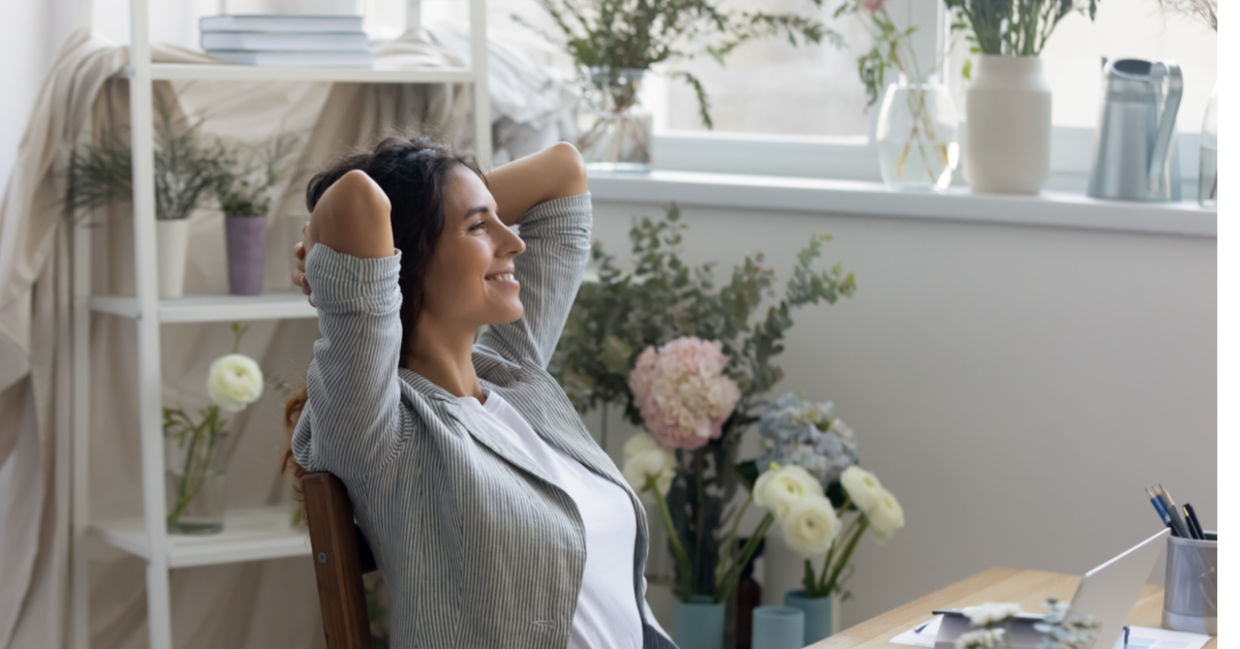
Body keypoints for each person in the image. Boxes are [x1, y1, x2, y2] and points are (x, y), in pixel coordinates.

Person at [281, 136, 677, 649]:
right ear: (406, 259)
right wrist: (326, 246)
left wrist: (456, 203)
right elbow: (356, 200)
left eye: (498, 220)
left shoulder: (514, 376)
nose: (514, 243)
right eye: (478, 227)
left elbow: (564, 171)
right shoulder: (382, 426)